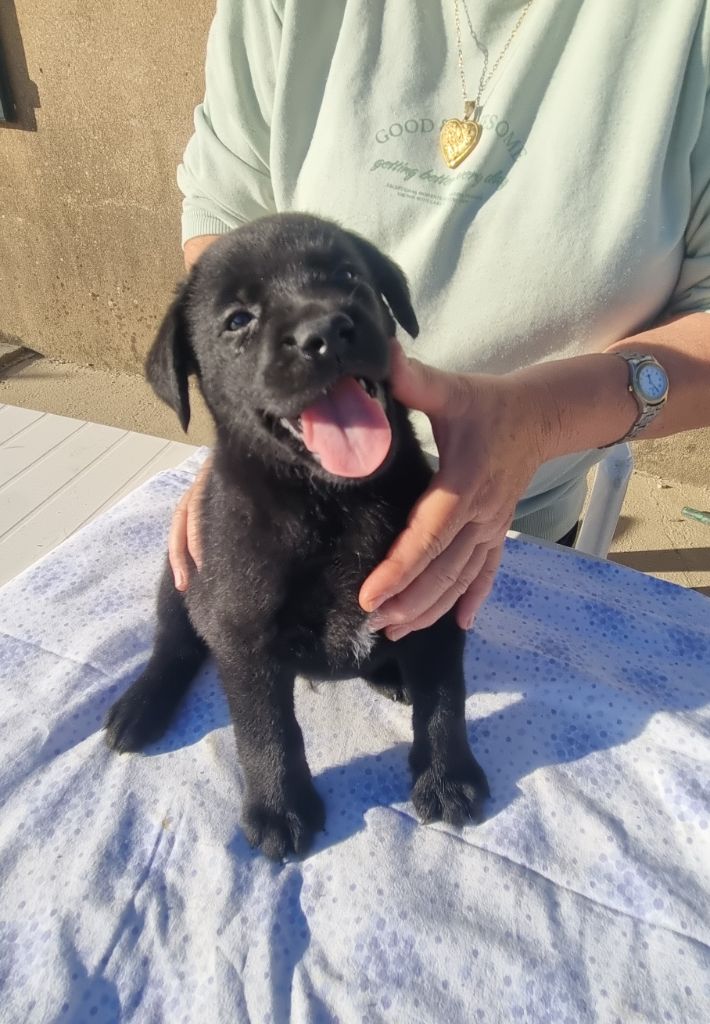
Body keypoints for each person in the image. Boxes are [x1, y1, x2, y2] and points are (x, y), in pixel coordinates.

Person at [168, 0, 710, 642]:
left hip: (519, 527)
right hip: (291, 489)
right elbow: (228, 209)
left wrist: (539, 420)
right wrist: (258, 429)